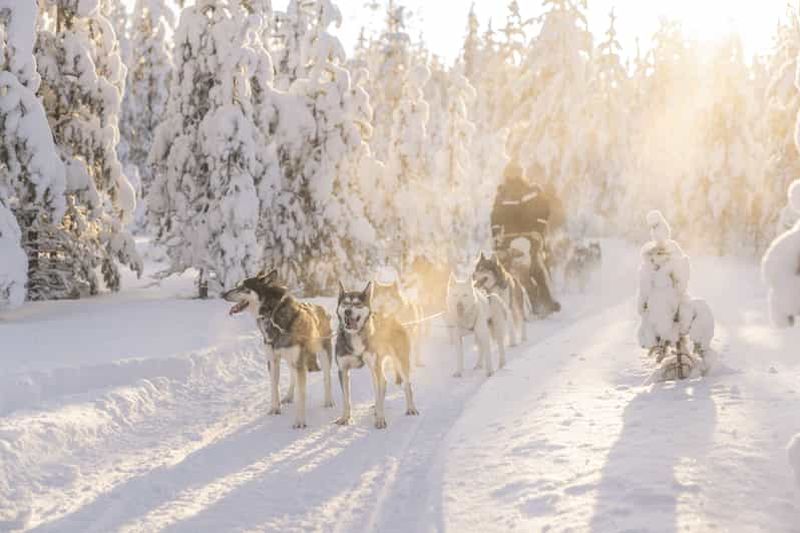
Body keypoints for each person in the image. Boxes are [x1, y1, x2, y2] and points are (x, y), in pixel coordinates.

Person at [490, 161, 560, 315]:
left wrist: (537, 230)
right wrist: (496, 234)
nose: (512, 176)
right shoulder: (502, 194)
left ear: (521, 174)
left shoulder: (531, 191)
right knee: (502, 267)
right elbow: (496, 216)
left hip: (529, 236)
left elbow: (544, 210)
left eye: (515, 173)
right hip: (508, 237)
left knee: (535, 266)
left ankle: (546, 301)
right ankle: (501, 304)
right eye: (509, 173)